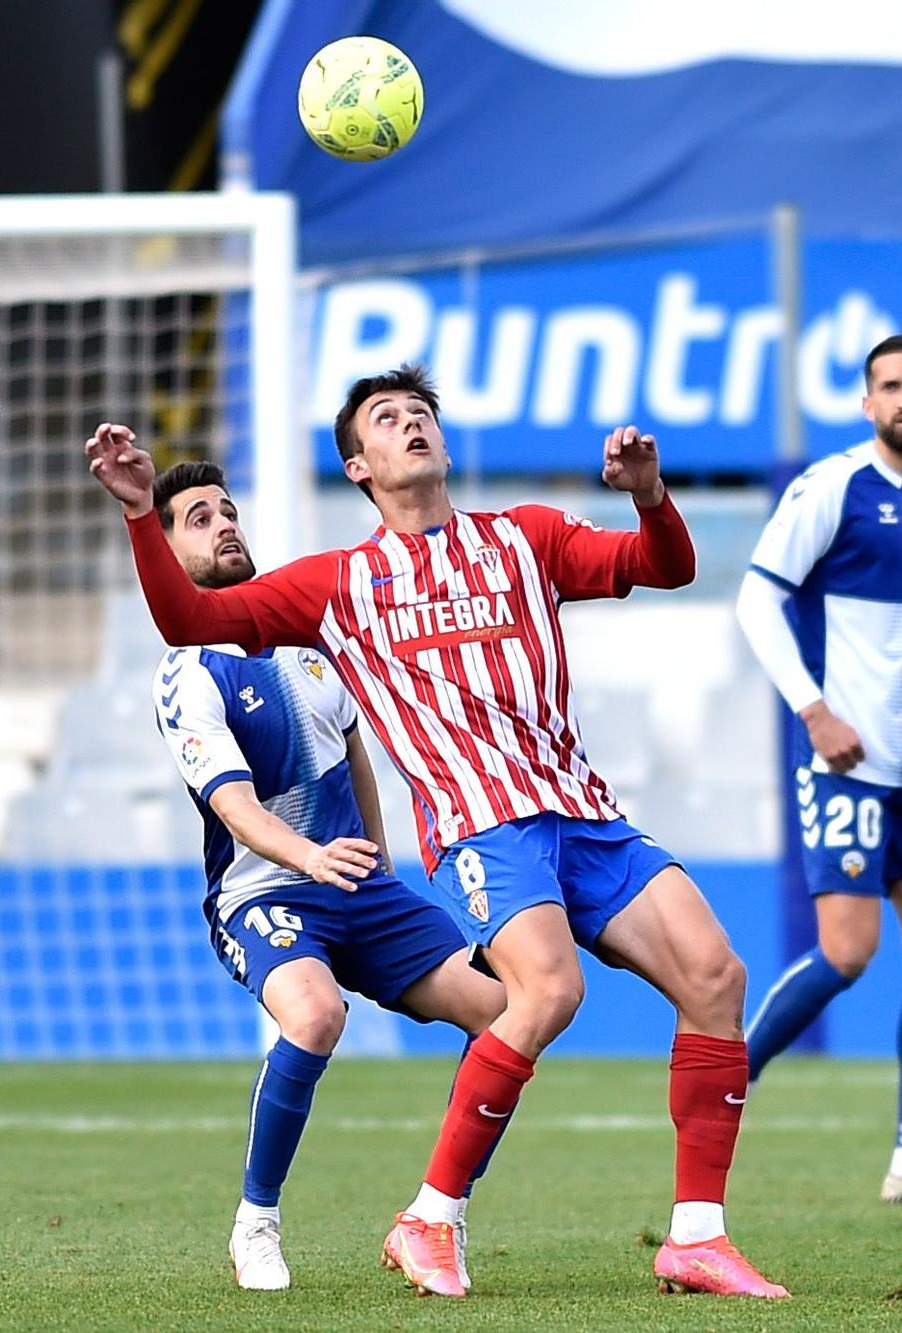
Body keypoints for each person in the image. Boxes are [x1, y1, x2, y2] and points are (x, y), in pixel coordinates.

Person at [86, 363, 786, 1300]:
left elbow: (665, 565)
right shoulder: (337, 585)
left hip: (584, 812)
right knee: (546, 992)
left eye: (422, 412)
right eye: (387, 417)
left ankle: (696, 1236)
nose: (411, 423)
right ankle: (430, 1217)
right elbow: (190, 617)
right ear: (358, 465)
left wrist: (651, 498)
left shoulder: (524, 538)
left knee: (715, 974)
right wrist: (142, 517)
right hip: (483, 823)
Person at [145, 458, 511, 1293]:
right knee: (313, 1015)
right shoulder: (188, 672)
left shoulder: (305, 641)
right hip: (264, 895)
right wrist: (310, 857)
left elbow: (354, 749)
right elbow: (234, 806)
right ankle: (256, 1222)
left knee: (503, 1011)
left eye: (227, 509)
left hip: (358, 888)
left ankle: (436, 1213)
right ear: (167, 552)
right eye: (199, 517)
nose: (225, 523)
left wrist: (378, 859)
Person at [734, 333, 902, 1207]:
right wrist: (814, 710)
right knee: (848, 952)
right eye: (889, 385)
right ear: (866, 402)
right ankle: (724, 1077)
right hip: (844, 757)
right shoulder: (832, 487)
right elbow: (757, 596)